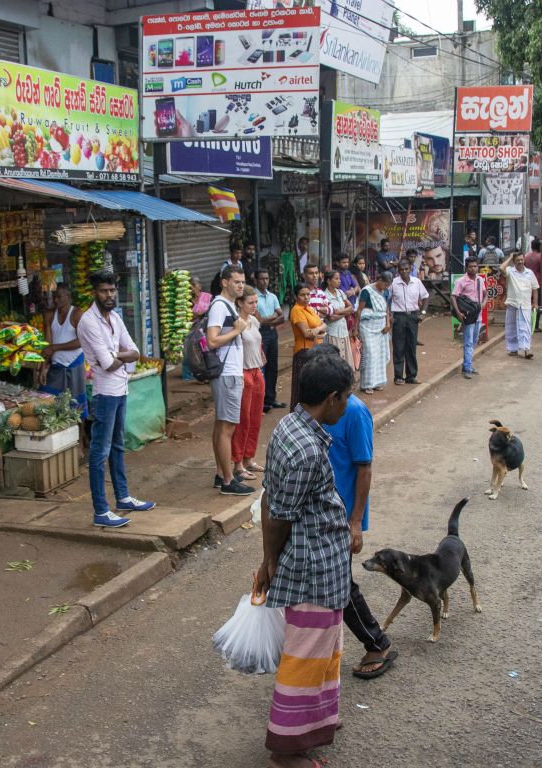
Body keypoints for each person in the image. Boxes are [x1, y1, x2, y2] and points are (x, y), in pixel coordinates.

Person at [256, 351, 354, 767]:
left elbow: (267, 496)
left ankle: (316, 720)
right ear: (331, 398)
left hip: (323, 566)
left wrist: (268, 560)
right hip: (313, 567)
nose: (348, 405)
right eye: (346, 398)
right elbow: (279, 514)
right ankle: (288, 748)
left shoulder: (290, 426)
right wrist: (269, 561)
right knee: (305, 658)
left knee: (326, 651)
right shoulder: (306, 451)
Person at [306, 344, 396, 681]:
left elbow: (364, 467)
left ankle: (378, 643)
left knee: (342, 586)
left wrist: (355, 521)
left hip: (342, 516)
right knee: (332, 584)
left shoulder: (353, 412)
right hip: (321, 513)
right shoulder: (315, 409)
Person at [76, 271, 156, 528]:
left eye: (112, 290)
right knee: (100, 452)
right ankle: (101, 510)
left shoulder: (115, 317)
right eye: (103, 291)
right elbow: (109, 363)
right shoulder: (89, 322)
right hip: (104, 393)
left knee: (118, 447)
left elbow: (136, 351)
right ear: (94, 292)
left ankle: (122, 497)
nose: (109, 295)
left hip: (121, 388)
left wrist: (116, 355)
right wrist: (120, 356)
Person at [207, 264, 253, 496]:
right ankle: (228, 480)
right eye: (236, 281)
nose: (241, 285)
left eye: (242, 281)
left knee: (222, 426)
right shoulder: (219, 306)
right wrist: (237, 331)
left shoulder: (227, 306)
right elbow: (212, 341)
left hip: (229, 372)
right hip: (227, 373)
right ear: (224, 282)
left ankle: (220, 474)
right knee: (227, 428)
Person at [40, 285, 88, 425]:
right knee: (48, 399)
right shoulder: (49, 316)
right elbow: (47, 345)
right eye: (54, 297)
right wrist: (43, 367)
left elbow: (82, 341)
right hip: (56, 367)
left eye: (59, 296)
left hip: (74, 365)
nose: (56, 300)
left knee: (77, 406)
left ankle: (81, 439)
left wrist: (56, 347)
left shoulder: (77, 313)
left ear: (68, 297)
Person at [231, 290, 266, 480]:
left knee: (255, 419)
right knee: (242, 420)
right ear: (240, 303)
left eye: (256, 302)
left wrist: (261, 356)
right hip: (243, 372)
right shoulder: (237, 323)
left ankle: (248, 458)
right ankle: (237, 463)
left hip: (257, 371)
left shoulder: (254, 321)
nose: (254, 305)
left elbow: (257, 343)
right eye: (251, 302)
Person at [389, 259, 430, 385]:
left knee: (411, 347)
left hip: (413, 317)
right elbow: (386, 299)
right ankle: (398, 376)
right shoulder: (393, 283)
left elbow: (426, 297)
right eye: (401, 269)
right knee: (399, 347)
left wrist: (422, 313)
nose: (404, 271)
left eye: (406, 269)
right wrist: (389, 316)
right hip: (399, 317)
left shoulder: (416, 282)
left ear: (411, 269)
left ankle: (411, 376)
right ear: (398, 270)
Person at [288, 284, 326, 412]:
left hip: (315, 350)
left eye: (308, 294)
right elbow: (307, 333)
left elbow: (323, 326)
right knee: (301, 388)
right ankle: (296, 417)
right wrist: (319, 329)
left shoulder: (309, 309)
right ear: (296, 296)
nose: (306, 297)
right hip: (304, 352)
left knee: (313, 386)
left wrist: (318, 330)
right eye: (302, 295)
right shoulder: (297, 310)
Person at [352, 271, 392, 394]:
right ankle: (367, 384)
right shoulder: (367, 291)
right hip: (367, 326)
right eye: (385, 284)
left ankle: (377, 382)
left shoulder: (386, 292)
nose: (386, 287)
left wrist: (388, 324)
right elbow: (359, 310)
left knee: (380, 354)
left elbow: (386, 308)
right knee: (369, 354)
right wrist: (355, 328)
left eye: (388, 285)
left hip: (381, 326)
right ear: (379, 280)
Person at [255, 269, 287, 412]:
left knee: (272, 367)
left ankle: (270, 398)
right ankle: (260, 402)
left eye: (267, 278)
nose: (265, 281)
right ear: (256, 280)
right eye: (262, 279)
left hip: (272, 333)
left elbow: (282, 317)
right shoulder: (253, 296)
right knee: (260, 367)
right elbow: (258, 320)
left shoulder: (272, 296)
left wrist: (267, 321)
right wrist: (272, 319)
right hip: (259, 334)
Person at [450, 257, 487, 380]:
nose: (473, 268)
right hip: (468, 316)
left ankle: (468, 365)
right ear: (466, 267)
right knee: (468, 341)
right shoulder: (461, 281)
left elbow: (485, 293)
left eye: (475, 266)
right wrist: (458, 313)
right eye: (471, 266)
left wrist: (484, 304)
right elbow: (453, 297)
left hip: (478, 315)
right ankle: (467, 368)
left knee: (475, 340)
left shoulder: (480, 280)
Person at [501, 250, 540, 359]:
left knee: (525, 327)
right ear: (514, 261)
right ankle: (513, 349)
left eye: (522, 259)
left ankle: (526, 350)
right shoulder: (510, 271)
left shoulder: (529, 273)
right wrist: (509, 258)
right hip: (513, 303)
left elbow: (535, 288)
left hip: (526, 304)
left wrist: (535, 303)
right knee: (511, 327)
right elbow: (501, 268)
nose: (520, 262)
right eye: (517, 260)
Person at [323, 270, 353, 369]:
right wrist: (345, 312)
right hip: (333, 333)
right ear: (328, 281)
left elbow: (351, 308)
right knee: (335, 363)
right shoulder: (324, 296)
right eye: (336, 279)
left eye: (339, 278)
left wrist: (338, 312)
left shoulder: (340, 292)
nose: (339, 281)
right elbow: (331, 317)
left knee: (345, 362)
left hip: (344, 331)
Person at [524, 238, 542, 331]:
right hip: (537, 283)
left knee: (527, 304)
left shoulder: (526, 256)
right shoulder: (540, 257)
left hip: (526, 283)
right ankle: (535, 326)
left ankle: (526, 323)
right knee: (536, 305)